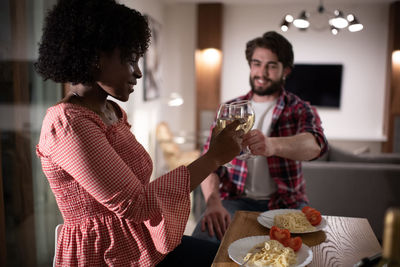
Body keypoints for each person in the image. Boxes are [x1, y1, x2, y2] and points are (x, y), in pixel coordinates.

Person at [34, 0, 244, 266]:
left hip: (140, 242)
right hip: (105, 255)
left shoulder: (112, 111)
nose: (139, 72)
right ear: (94, 56)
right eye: (130, 59)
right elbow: (137, 204)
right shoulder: (67, 123)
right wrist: (213, 158)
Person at [192, 31, 329, 243]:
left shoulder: (300, 109)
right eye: (256, 63)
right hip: (234, 201)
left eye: (271, 66)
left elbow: (315, 146)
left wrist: (271, 145)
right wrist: (213, 202)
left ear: (286, 70)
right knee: (200, 244)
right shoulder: (229, 110)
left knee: (309, 249)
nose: (262, 73)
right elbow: (210, 160)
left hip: (287, 203)